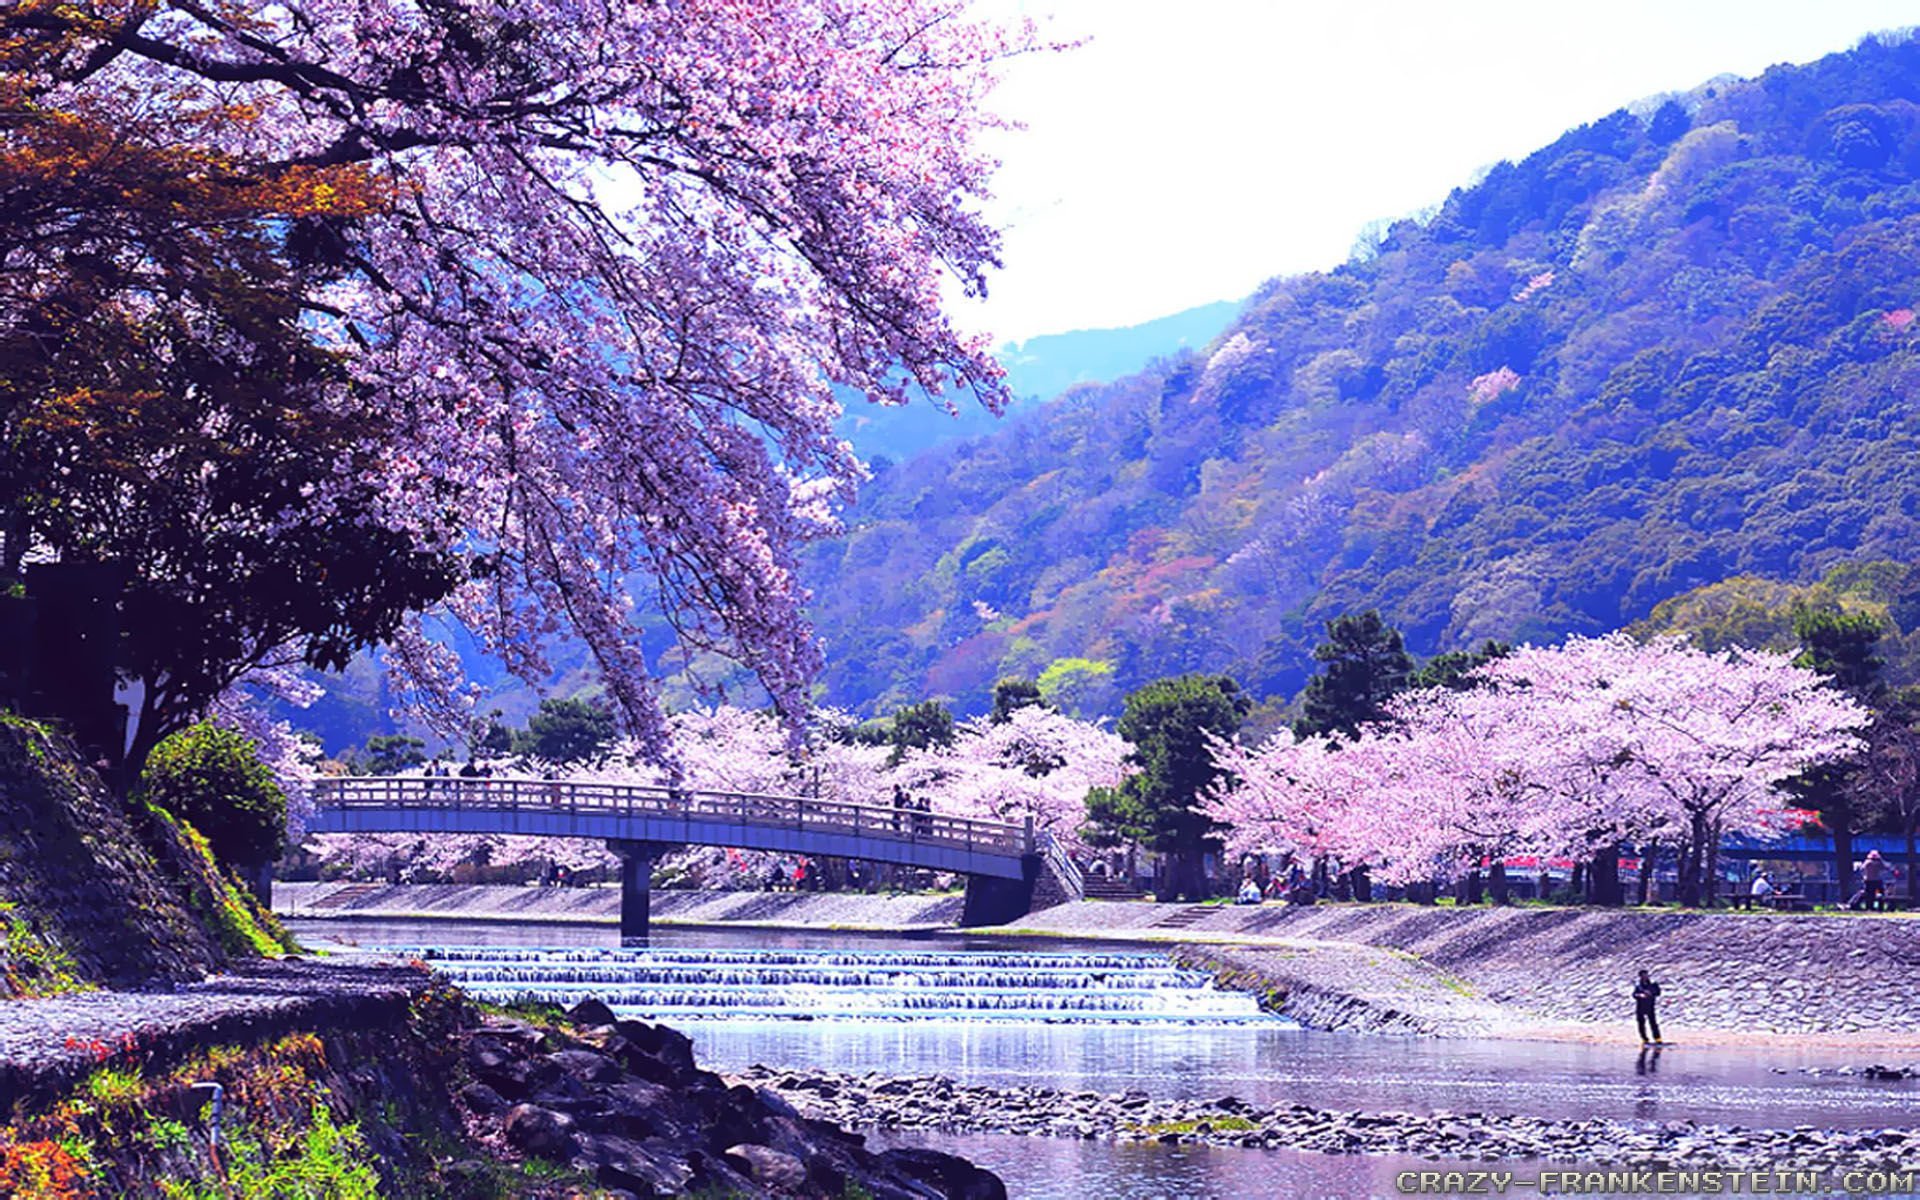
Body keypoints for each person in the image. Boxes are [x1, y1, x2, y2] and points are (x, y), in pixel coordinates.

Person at [1633, 969, 1663, 1044]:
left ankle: (1657, 1038)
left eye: (1645, 975)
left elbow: (1658, 992)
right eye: (1642, 975)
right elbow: (1634, 994)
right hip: (1640, 1007)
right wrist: (1640, 995)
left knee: (1653, 1023)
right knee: (1641, 1023)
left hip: (1650, 1006)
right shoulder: (1638, 985)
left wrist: (1650, 993)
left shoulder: (1653, 984)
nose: (1644, 977)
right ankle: (1644, 1038)